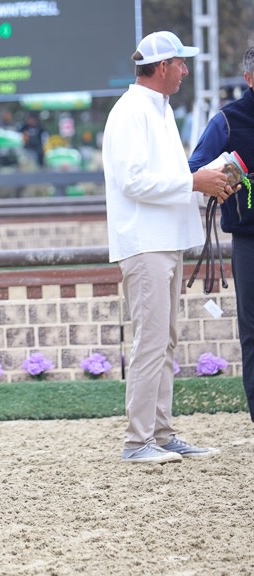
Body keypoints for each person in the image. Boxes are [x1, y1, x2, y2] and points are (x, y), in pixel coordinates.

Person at [103, 30, 233, 464]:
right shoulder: (131, 112)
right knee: (151, 340)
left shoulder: (157, 109)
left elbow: (163, 176)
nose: (185, 70)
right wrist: (194, 181)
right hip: (145, 243)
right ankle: (138, 440)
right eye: (180, 63)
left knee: (165, 340)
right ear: (162, 67)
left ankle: (160, 431)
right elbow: (133, 181)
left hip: (164, 240)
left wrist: (212, 177)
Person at [188, 46, 254, 425]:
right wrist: (226, 173)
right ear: (248, 79)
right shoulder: (227, 121)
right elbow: (195, 170)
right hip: (250, 241)